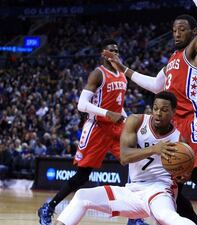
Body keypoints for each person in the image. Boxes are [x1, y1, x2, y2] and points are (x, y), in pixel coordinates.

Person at [103, 1, 197, 224]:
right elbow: (155, 85)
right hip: (175, 123)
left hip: (195, 119)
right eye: (174, 30)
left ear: (194, 32)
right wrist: (123, 69)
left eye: (182, 29)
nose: (177, 33)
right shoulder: (171, 60)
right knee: (171, 184)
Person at [54, 91, 196, 225]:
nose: (158, 113)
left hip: (159, 191)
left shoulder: (179, 140)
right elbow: (124, 157)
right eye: (155, 108)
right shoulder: (136, 121)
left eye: (164, 110)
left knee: (167, 216)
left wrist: (183, 175)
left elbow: (184, 173)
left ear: (173, 112)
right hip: (132, 190)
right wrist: (154, 149)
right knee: (82, 196)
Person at [38, 39, 130, 225]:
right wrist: (107, 113)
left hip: (116, 128)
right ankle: (49, 206)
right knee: (82, 175)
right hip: (97, 128)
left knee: (133, 162)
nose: (115, 53)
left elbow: (119, 105)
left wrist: (126, 120)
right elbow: (82, 105)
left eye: (117, 51)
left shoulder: (122, 74)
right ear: (103, 53)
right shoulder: (98, 74)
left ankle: (134, 218)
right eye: (111, 50)